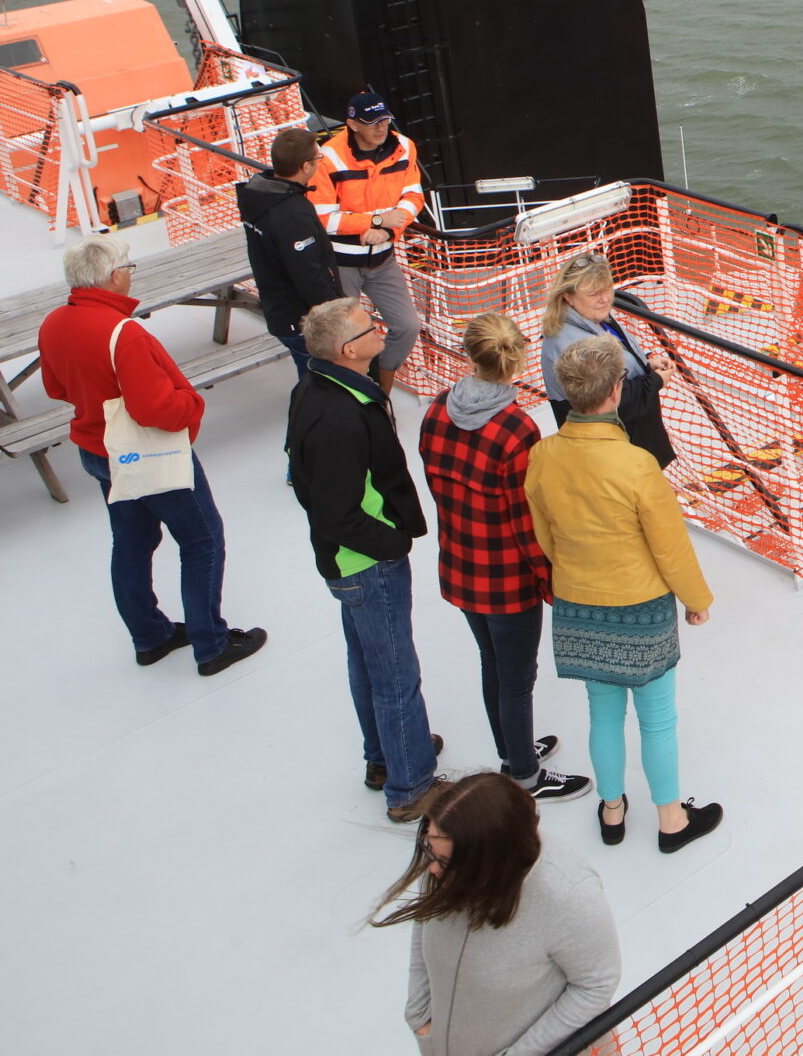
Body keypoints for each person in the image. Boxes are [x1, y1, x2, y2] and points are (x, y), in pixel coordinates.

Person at [525, 335, 721, 853]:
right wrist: (695, 599)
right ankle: (671, 821)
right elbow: (670, 548)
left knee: (602, 713)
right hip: (638, 605)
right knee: (657, 719)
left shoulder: (543, 455)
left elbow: (545, 534)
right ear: (616, 391)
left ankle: (612, 809)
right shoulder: (637, 465)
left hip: (579, 602)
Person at [37, 236, 266, 676]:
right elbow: (154, 408)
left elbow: (57, 388)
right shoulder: (123, 333)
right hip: (148, 455)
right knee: (202, 541)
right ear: (112, 276)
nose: (129, 274)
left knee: (132, 543)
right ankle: (211, 645)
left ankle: (150, 637)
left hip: (98, 451)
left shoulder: (53, 324)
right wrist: (192, 404)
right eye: (128, 267)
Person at [420, 313, 590, 803]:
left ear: (470, 354)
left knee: (491, 664)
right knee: (517, 679)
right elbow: (526, 521)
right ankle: (524, 775)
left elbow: (435, 482)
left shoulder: (436, 410)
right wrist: (550, 582)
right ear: (516, 360)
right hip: (506, 578)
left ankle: (513, 749)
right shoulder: (516, 430)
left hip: (460, 564)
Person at [291, 297, 441, 819]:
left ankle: (386, 756)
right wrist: (394, 543)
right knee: (396, 674)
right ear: (347, 350)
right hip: (367, 564)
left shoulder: (317, 388)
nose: (382, 330)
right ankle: (411, 786)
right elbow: (337, 511)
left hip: (349, 563)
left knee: (369, 664)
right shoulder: (339, 418)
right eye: (369, 327)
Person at [377, 774, 620, 1056]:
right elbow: (425, 918)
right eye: (429, 849)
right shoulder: (442, 857)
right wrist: (420, 1016)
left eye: (444, 862)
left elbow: (596, 985)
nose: (431, 870)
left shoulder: (570, 893)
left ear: (490, 862)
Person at [313, 90, 427, 396]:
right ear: (352, 124)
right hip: (342, 264)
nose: (381, 128)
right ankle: (352, 395)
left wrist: (389, 233)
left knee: (407, 327)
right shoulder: (327, 157)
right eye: (372, 122)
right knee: (343, 340)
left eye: (385, 120)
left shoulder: (404, 147)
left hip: (383, 260)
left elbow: (414, 197)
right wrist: (374, 223)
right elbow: (322, 218)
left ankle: (382, 391)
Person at [538, 252, 677, 469]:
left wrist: (645, 364)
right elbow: (606, 400)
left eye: (607, 289)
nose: (604, 299)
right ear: (568, 297)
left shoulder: (591, 317)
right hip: (616, 454)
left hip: (633, 440)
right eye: (594, 293)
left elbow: (614, 364)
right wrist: (655, 382)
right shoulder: (570, 345)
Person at [235, 125, 339, 379]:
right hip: (303, 320)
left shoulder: (259, 195)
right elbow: (309, 276)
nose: (319, 162)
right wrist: (338, 315)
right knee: (319, 383)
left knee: (311, 380)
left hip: (280, 311)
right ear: (305, 166)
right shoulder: (293, 215)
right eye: (317, 158)